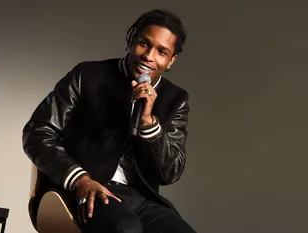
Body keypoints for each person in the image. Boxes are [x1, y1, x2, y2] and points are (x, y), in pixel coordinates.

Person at [23, 8, 196, 233]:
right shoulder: (87, 75)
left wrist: (148, 122)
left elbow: (170, 172)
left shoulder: (176, 100)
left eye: (161, 52)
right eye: (143, 43)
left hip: (139, 200)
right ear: (131, 40)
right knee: (125, 229)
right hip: (80, 189)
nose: (149, 56)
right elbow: (37, 132)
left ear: (171, 60)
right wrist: (80, 179)